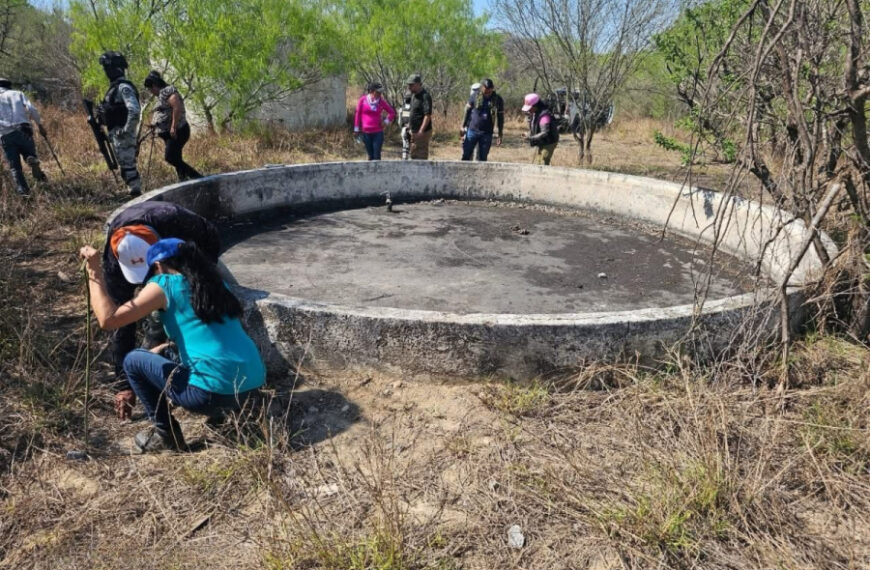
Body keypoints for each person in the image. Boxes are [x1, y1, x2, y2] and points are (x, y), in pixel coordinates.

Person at [80, 238, 266, 452]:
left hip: (210, 394)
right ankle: (228, 414)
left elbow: (108, 320)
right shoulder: (216, 285)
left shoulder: (165, 284)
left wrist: (94, 271)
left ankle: (167, 436)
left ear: (158, 266)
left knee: (133, 360)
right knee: (166, 353)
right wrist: (160, 350)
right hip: (252, 387)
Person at [101, 201, 221, 422]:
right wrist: (124, 384)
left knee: (184, 311)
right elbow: (118, 323)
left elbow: (211, 240)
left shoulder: (174, 220)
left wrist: (200, 281)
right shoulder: (113, 262)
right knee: (153, 318)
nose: (147, 280)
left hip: (189, 248)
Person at [143, 70, 203, 181]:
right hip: (170, 133)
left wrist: (173, 127)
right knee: (176, 158)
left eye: (150, 89)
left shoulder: (167, 91)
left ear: (154, 85)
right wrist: (155, 125)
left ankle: (197, 177)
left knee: (170, 157)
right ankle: (184, 181)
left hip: (177, 131)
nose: (151, 92)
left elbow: (176, 106)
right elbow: (165, 112)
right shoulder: (161, 95)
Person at [98, 51, 142, 196]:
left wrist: (126, 130)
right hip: (117, 135)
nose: (106, 71)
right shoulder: (114, 88)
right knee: (126, 169)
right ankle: (134, 197)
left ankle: (137, 199)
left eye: (107, 68)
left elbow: (134, 110)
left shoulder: (123, 87)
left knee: (129, 171)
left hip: (123, 135)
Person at [0, 78, 47, 196]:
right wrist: (40, 125)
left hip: (5, 134)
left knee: (15, 167)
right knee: (29, 153)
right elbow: (31, 109)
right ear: (8, 85)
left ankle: (24, 191)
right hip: (23, 129)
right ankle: (31, 158)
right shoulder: (17, 93)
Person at [460, 78, 504, 162]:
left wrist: (500, 134)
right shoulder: (475, 95)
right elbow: (467, 111)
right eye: (486, 90)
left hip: (487, 133)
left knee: (483, 158)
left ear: (492, 88)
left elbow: (500, 117)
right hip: (472, 130)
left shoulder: (498, 99)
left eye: (490, 90)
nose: (487, 92)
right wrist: (463, 126)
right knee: (466, 155)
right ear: (482, 87)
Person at [353, 82, 396, 161]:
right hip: (366, 133)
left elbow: (392, 113)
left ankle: (378, 168)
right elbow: (357, 114)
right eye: (378, 92)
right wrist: (356, 129)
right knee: (370, 155)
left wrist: (385, 122)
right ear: (371, 91)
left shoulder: (381, 102)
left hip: (377, 132)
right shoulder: (363, 100)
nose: (380, 94)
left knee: (376, 155)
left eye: (381, 92)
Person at [522, 93, 559, 166]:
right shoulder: (536, 113)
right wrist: (529, 133)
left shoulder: (544, 116)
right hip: (543, 141)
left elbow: (544, 132)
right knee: (539, 162)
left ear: (535, 105)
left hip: (549, 142)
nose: (528, 110)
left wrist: (530, 138)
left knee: (543, 162)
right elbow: (536, 128)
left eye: (529, 107)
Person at [405, 73, 433, 160]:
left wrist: (421, 131)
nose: (409, 87)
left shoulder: (425, 96)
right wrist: (409, 125)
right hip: (413, 131)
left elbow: (427, 116)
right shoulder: (413, 95)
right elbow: (413, 112)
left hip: (422, 132)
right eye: (408, 85)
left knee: (420, 156)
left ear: (418, 84)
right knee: (413, 154)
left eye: (411, 85)